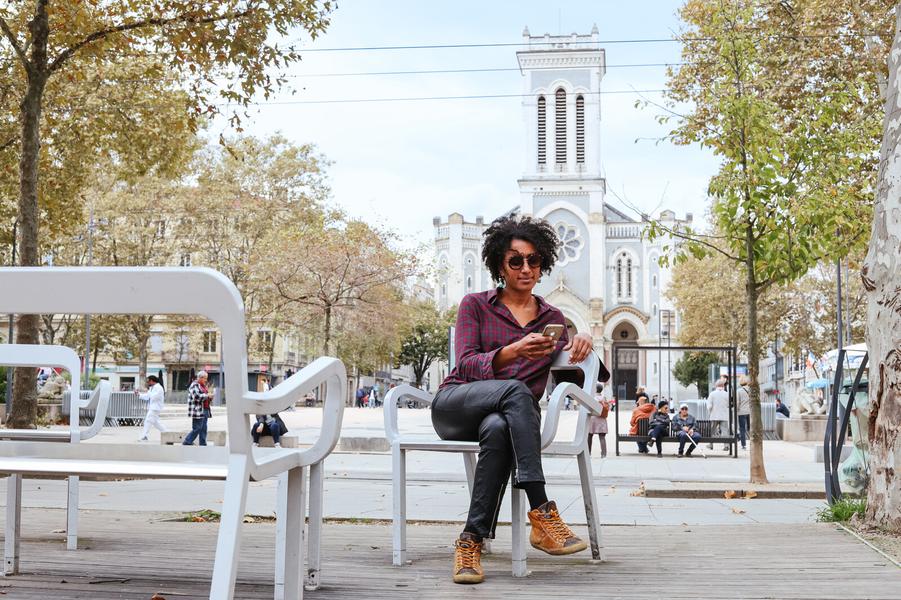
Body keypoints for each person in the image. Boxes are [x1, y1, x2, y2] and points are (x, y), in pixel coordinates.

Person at [433, 215, 595, 585]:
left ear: (544, 265)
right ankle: (541, 509)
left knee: (498, 427)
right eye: (516, 260)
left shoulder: (553, 317)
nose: (526, 268)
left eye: (534, 260)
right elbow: (467, 364)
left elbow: (590, 372)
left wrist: (585, 339)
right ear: (499, 264)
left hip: (506, 420)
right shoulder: (475, 304)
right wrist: (513, 352)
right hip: (456, 406)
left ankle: (470, 541)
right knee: (517, 391)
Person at [183, 370, 213, 446]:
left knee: (203, 429)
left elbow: (204, 396)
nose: (206, 380)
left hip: (205, 409)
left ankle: (203, 444)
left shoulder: (202, 386)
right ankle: (187, 441)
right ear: (200, 377)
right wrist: (207, 396)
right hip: (198, 410)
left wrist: (210, 397)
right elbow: (196, 397)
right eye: (205, 378)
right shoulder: (194, 385)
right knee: (197, 428)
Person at [136, 374, 167, 442]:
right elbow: (147, 396)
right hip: (152, 407)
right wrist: (139, 394)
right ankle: (167, 433)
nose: (148, 383)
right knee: (156, 423)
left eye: (148, 381)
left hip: (155, 408)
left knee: (148, 421)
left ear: (152, 381)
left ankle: (144, 436)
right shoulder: (152, 388)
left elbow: (153, 397)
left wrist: (148, 391)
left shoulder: (159, 388)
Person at [707, 379, 731, 451]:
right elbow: (728, 404)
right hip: (724, 415)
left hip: (714, 415)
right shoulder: (727, 394)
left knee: (712, 431)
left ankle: (711, 444)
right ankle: (726, 445)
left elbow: (709, 406)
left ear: (716, 385)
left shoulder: (712, 394)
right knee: (725, 431)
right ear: (723, 386)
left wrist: (710, 412)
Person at [587, 383, 609, 458]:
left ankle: (588, 453)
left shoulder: (592, 397)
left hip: (593, 418)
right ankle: (603, 454)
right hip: (602, 419)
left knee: (589, 435)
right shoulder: (604, 398)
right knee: (602, 437)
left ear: (595, 389)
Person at [736, 375, 751, 450]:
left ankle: (743, 445)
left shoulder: (739, 391)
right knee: (750, 428)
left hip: (741, 412)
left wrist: (737, 410)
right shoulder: (751, 390)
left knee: (742, 428)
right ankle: (753, 443)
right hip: (750, 412)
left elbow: (737, 402)